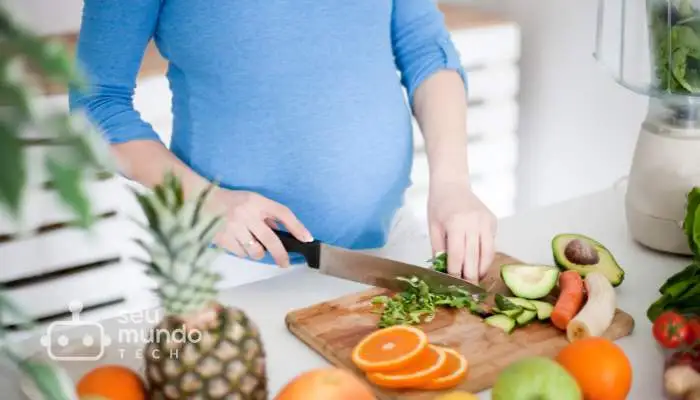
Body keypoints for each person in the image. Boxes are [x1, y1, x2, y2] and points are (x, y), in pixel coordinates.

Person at [70, 0, 497, 283]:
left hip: (391, 242)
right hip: (231, 269)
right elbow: (95, 103)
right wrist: (206, 200)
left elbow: (424, 48)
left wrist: (452, 183)